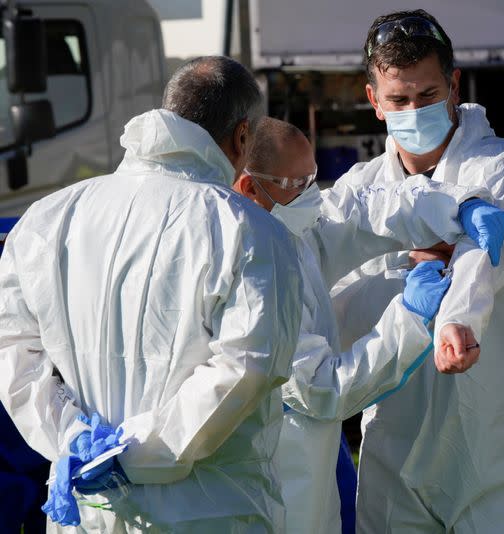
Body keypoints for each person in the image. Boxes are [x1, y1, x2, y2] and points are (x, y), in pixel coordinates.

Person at [0, 56, 304, 532]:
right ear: (243, 136)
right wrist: (135, 455)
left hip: (87, 509)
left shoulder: (46, 219)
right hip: (210, 511)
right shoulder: (250, 232)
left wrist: (71, 437)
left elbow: (14, 351)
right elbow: (248, 366)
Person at [321, 10, 504, 533]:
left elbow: (481, 260)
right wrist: (409, 281)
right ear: (373, 101)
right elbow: (332, 300)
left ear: (454, 86)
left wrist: (455, 318)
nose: (414, 110)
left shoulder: (501, 169)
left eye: (427, 94)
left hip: (501, 443)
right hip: (396, 444)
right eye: (398, 100)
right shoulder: (358, 188)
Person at [233, 116, 504, 534]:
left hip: (310, 474)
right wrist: (411, 317)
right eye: (296, 185)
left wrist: (457, 204)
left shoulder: (288, 227)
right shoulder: (250, 273)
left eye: (313, 180)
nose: (311, 196)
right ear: (249, 187)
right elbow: (325, 390)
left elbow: (362, 210)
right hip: (272, 487)